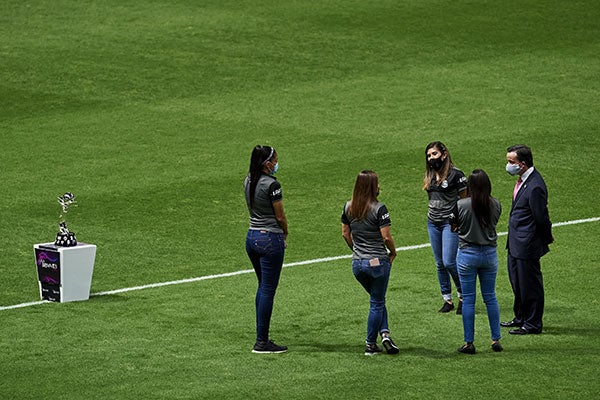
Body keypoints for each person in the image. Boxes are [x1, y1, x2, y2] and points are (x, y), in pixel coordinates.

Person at [341, 170, 400, 356]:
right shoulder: (379, 208)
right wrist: (393, 252)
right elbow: (386, 236)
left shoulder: (348, 207)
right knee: (377, 302)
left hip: (357, 265)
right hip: (377, 263)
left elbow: (345, 233)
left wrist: (356, 251)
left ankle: (385, 334)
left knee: (377, 300)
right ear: (371, 187)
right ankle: (370, 344)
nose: (379, 186)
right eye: (377, 183)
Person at [502, 145, 553, 335]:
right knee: (517, 281)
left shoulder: (535, 186)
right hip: (516, 242)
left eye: (511, 162)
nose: (508, 165)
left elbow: (541, 217)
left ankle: (532, 323)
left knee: (530, 284)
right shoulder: (524, 180)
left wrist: (546, 237)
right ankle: (521, 317)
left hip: (527, 244)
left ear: (522, 164)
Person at [244, 145, 289, 353]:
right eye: (275, 160)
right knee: (268, 289)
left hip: (252, 237)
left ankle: (261, 337)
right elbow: (279, 216)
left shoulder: (248, 180)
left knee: (263, 287)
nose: (277, 163)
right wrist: (285, 233)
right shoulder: (272, 185)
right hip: (270, 239)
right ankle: (261, 341)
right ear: (267, 163)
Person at [453, 170, 503, 354]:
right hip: (489, 254)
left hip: (467, 255)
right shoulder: (496, 204)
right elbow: (494, 222)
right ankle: (495, 339)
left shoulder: (461, 205)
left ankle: (469, 343)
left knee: (468, 300)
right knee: (490, 296)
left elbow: (453, 226)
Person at [423, 141, 467, 314]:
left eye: (434, 154)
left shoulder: (457, 175)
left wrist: (458, 221)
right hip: (432, 222)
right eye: (428, 155)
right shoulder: (430, 175)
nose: (431, 158)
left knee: (449, 261)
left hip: (450, 223)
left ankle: (464, 295)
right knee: (440, 263)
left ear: (444, 154)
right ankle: (447, 299)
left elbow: (465, 201)